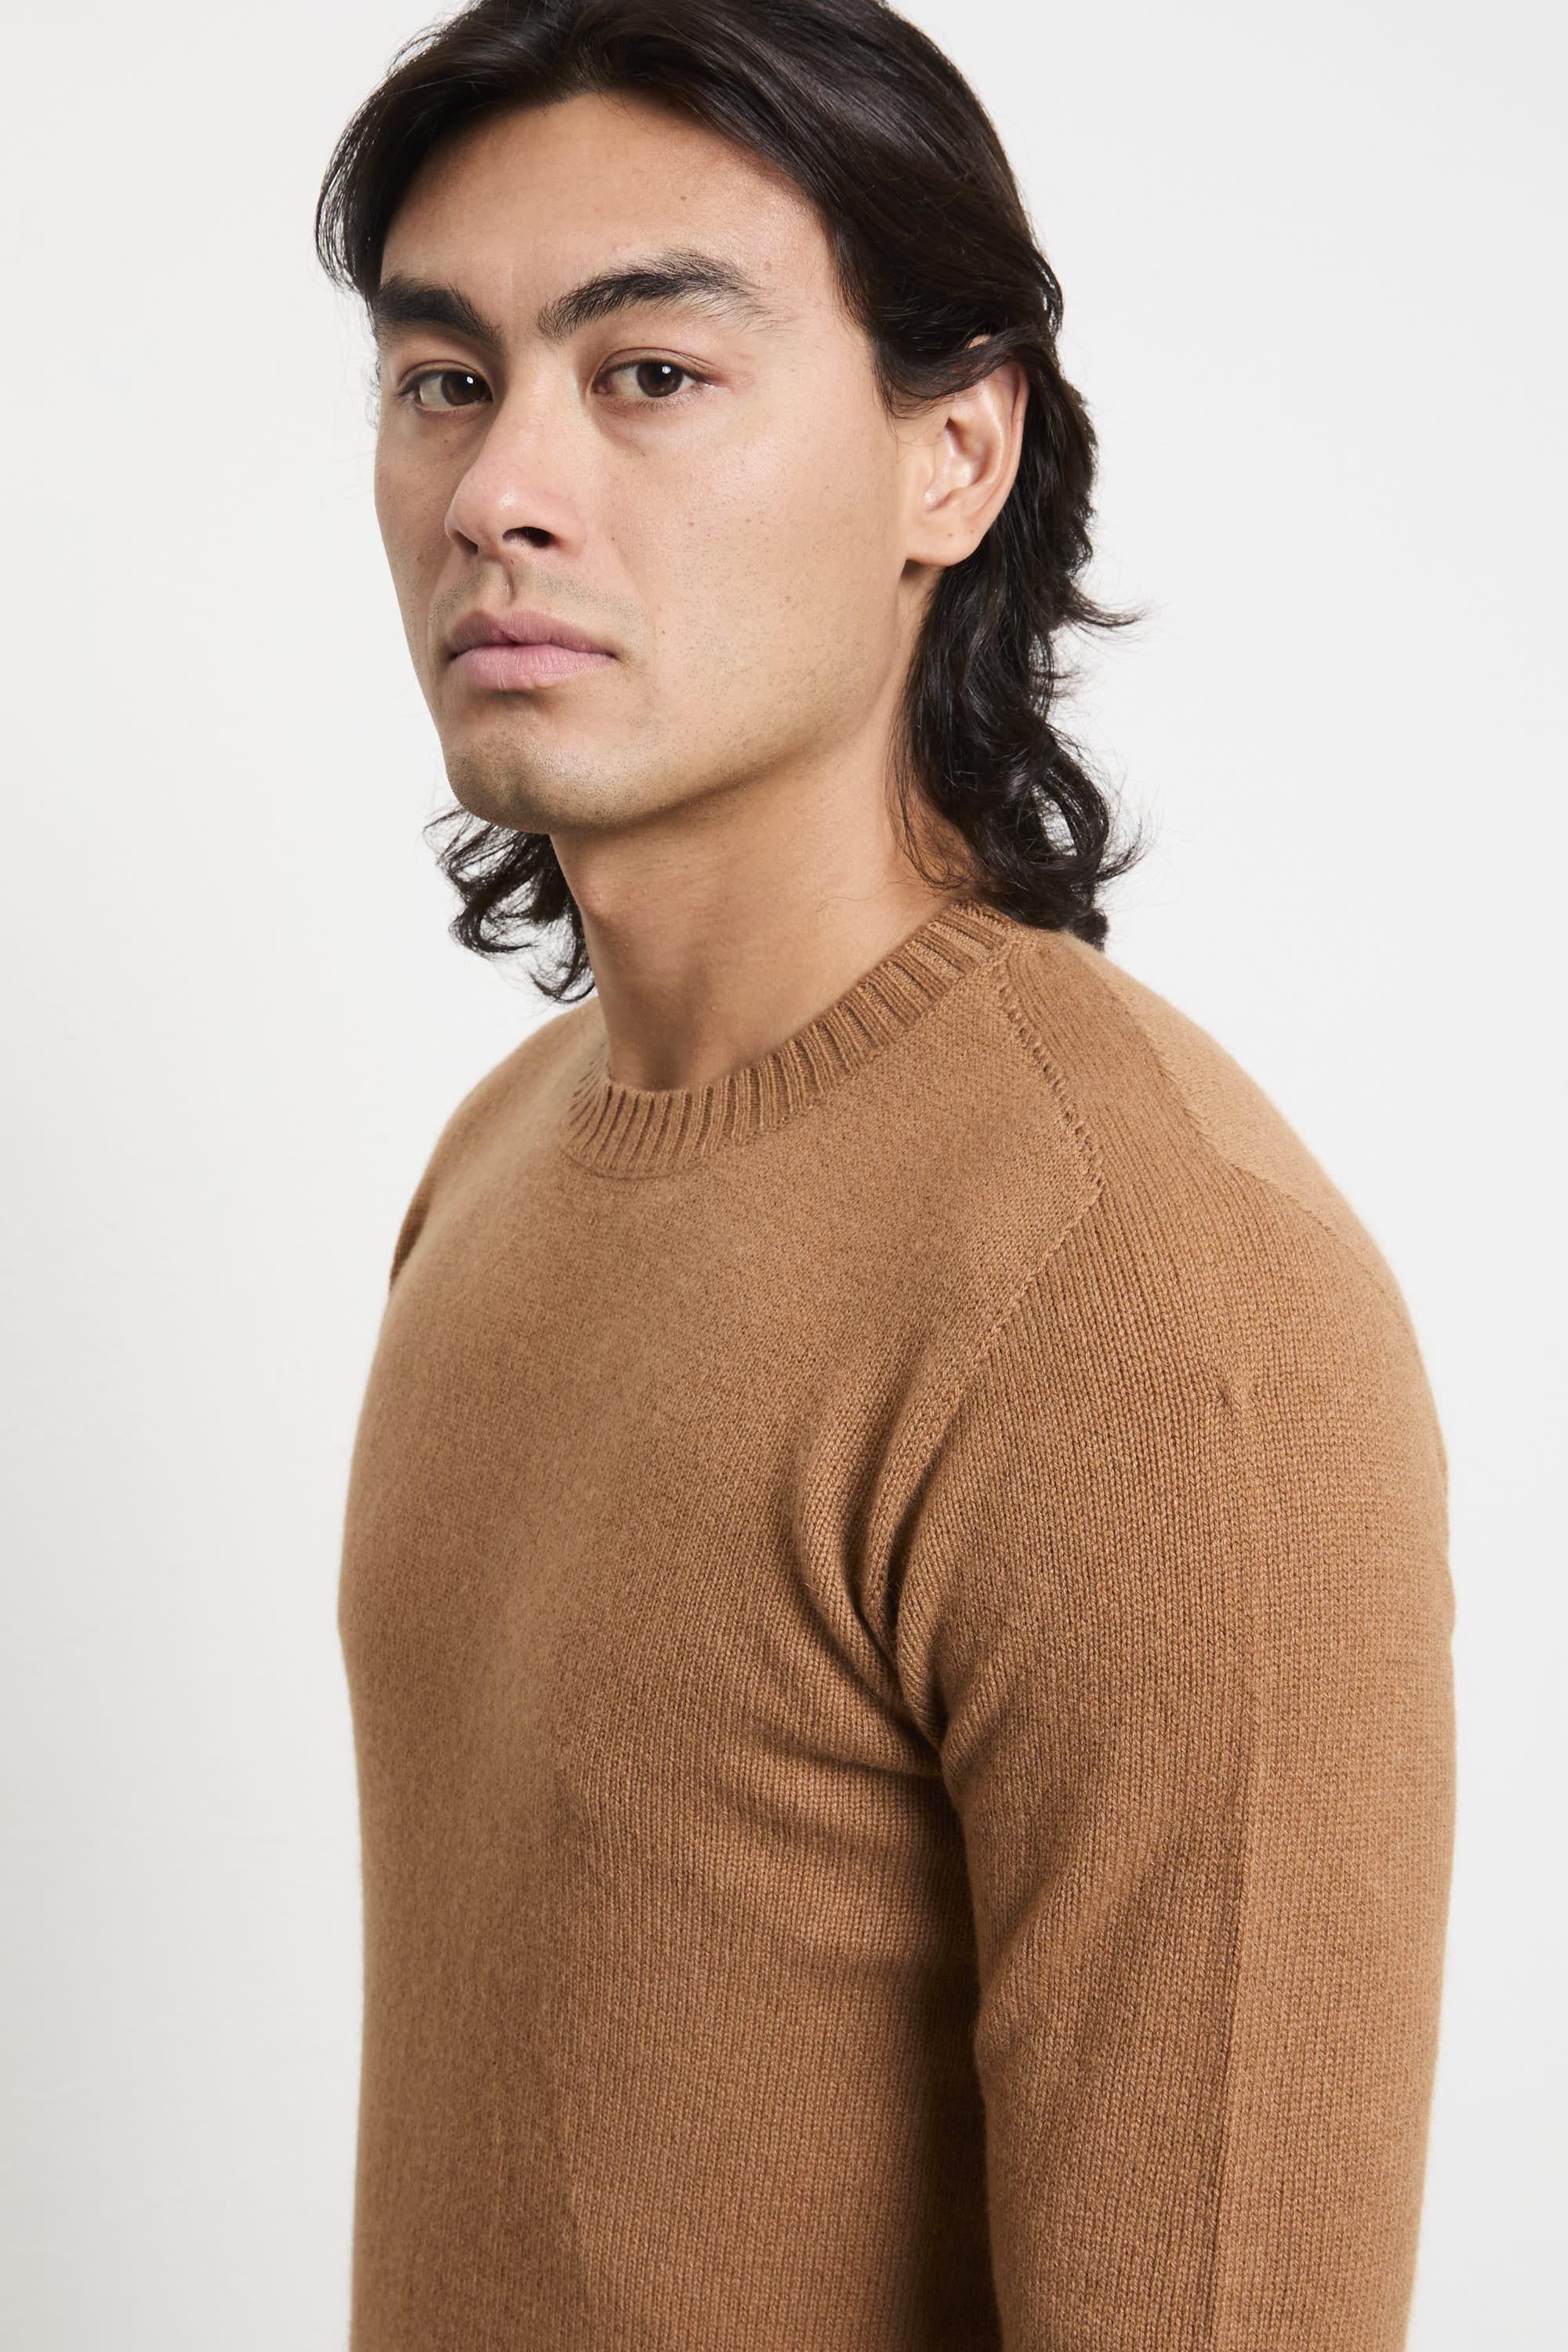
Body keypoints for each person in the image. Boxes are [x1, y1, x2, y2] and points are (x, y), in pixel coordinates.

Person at [316, 3, 1457, 2345]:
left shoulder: (1151, 1298)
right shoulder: (497, 1164)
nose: (500, 487)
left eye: (649, 373)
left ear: (955, 455)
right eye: (444, 378)